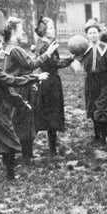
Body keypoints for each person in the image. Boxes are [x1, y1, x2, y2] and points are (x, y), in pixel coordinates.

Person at [0, 35, 50, 184]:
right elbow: (12, 81)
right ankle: (9, 175)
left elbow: (8, 90)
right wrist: (35, 78)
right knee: (8, 138)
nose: (3, 52)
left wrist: (22, 103)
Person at [2, 17, 59, 162]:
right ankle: (19, 154)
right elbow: (31, 64)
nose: (23, 33)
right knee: (22, 120)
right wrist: (48, 53)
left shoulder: (12, 48)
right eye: (21, 30)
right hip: (19, 88)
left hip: (20, 86)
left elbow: (24, 66)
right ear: (14, 31)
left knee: (23, 120)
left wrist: (33, 77)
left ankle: (26, 153)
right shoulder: (15, 49)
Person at [33, 16, 73, 156]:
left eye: (53, 27)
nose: (53, 30)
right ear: (44, 30)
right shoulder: (45, 45)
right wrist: (71, 59)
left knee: (44, 114)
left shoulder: (43, 43)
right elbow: (55, 63)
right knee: (51, 115)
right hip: (50, 82)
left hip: (45, 80)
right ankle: (51, 150)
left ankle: (38, 148)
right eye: (50, 28)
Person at [79, 20, 107, 145]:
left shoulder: (106, 48)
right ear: (87, 35)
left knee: (102, 109)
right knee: (92, 108)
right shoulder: (84, 48)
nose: (92, 35)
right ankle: (96, 135)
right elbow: (76, 59)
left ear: (99, 33)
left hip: (104, 81)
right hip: (90, 81)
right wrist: (75, 63)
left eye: (95, 32)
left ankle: (103, 138)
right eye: (90, 33)